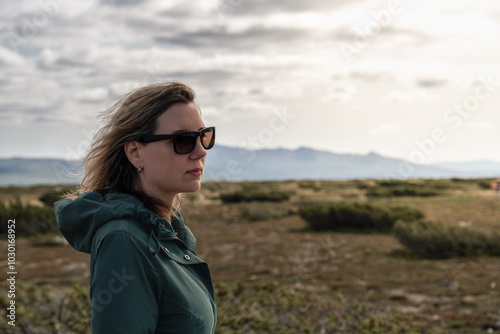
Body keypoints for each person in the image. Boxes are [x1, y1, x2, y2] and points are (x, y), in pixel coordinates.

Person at [54, 81, 217, 333]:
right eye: (182, 140)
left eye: (203, 136)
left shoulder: (165, 231)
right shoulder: (125, 240)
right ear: (135, 153)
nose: (199, 151)